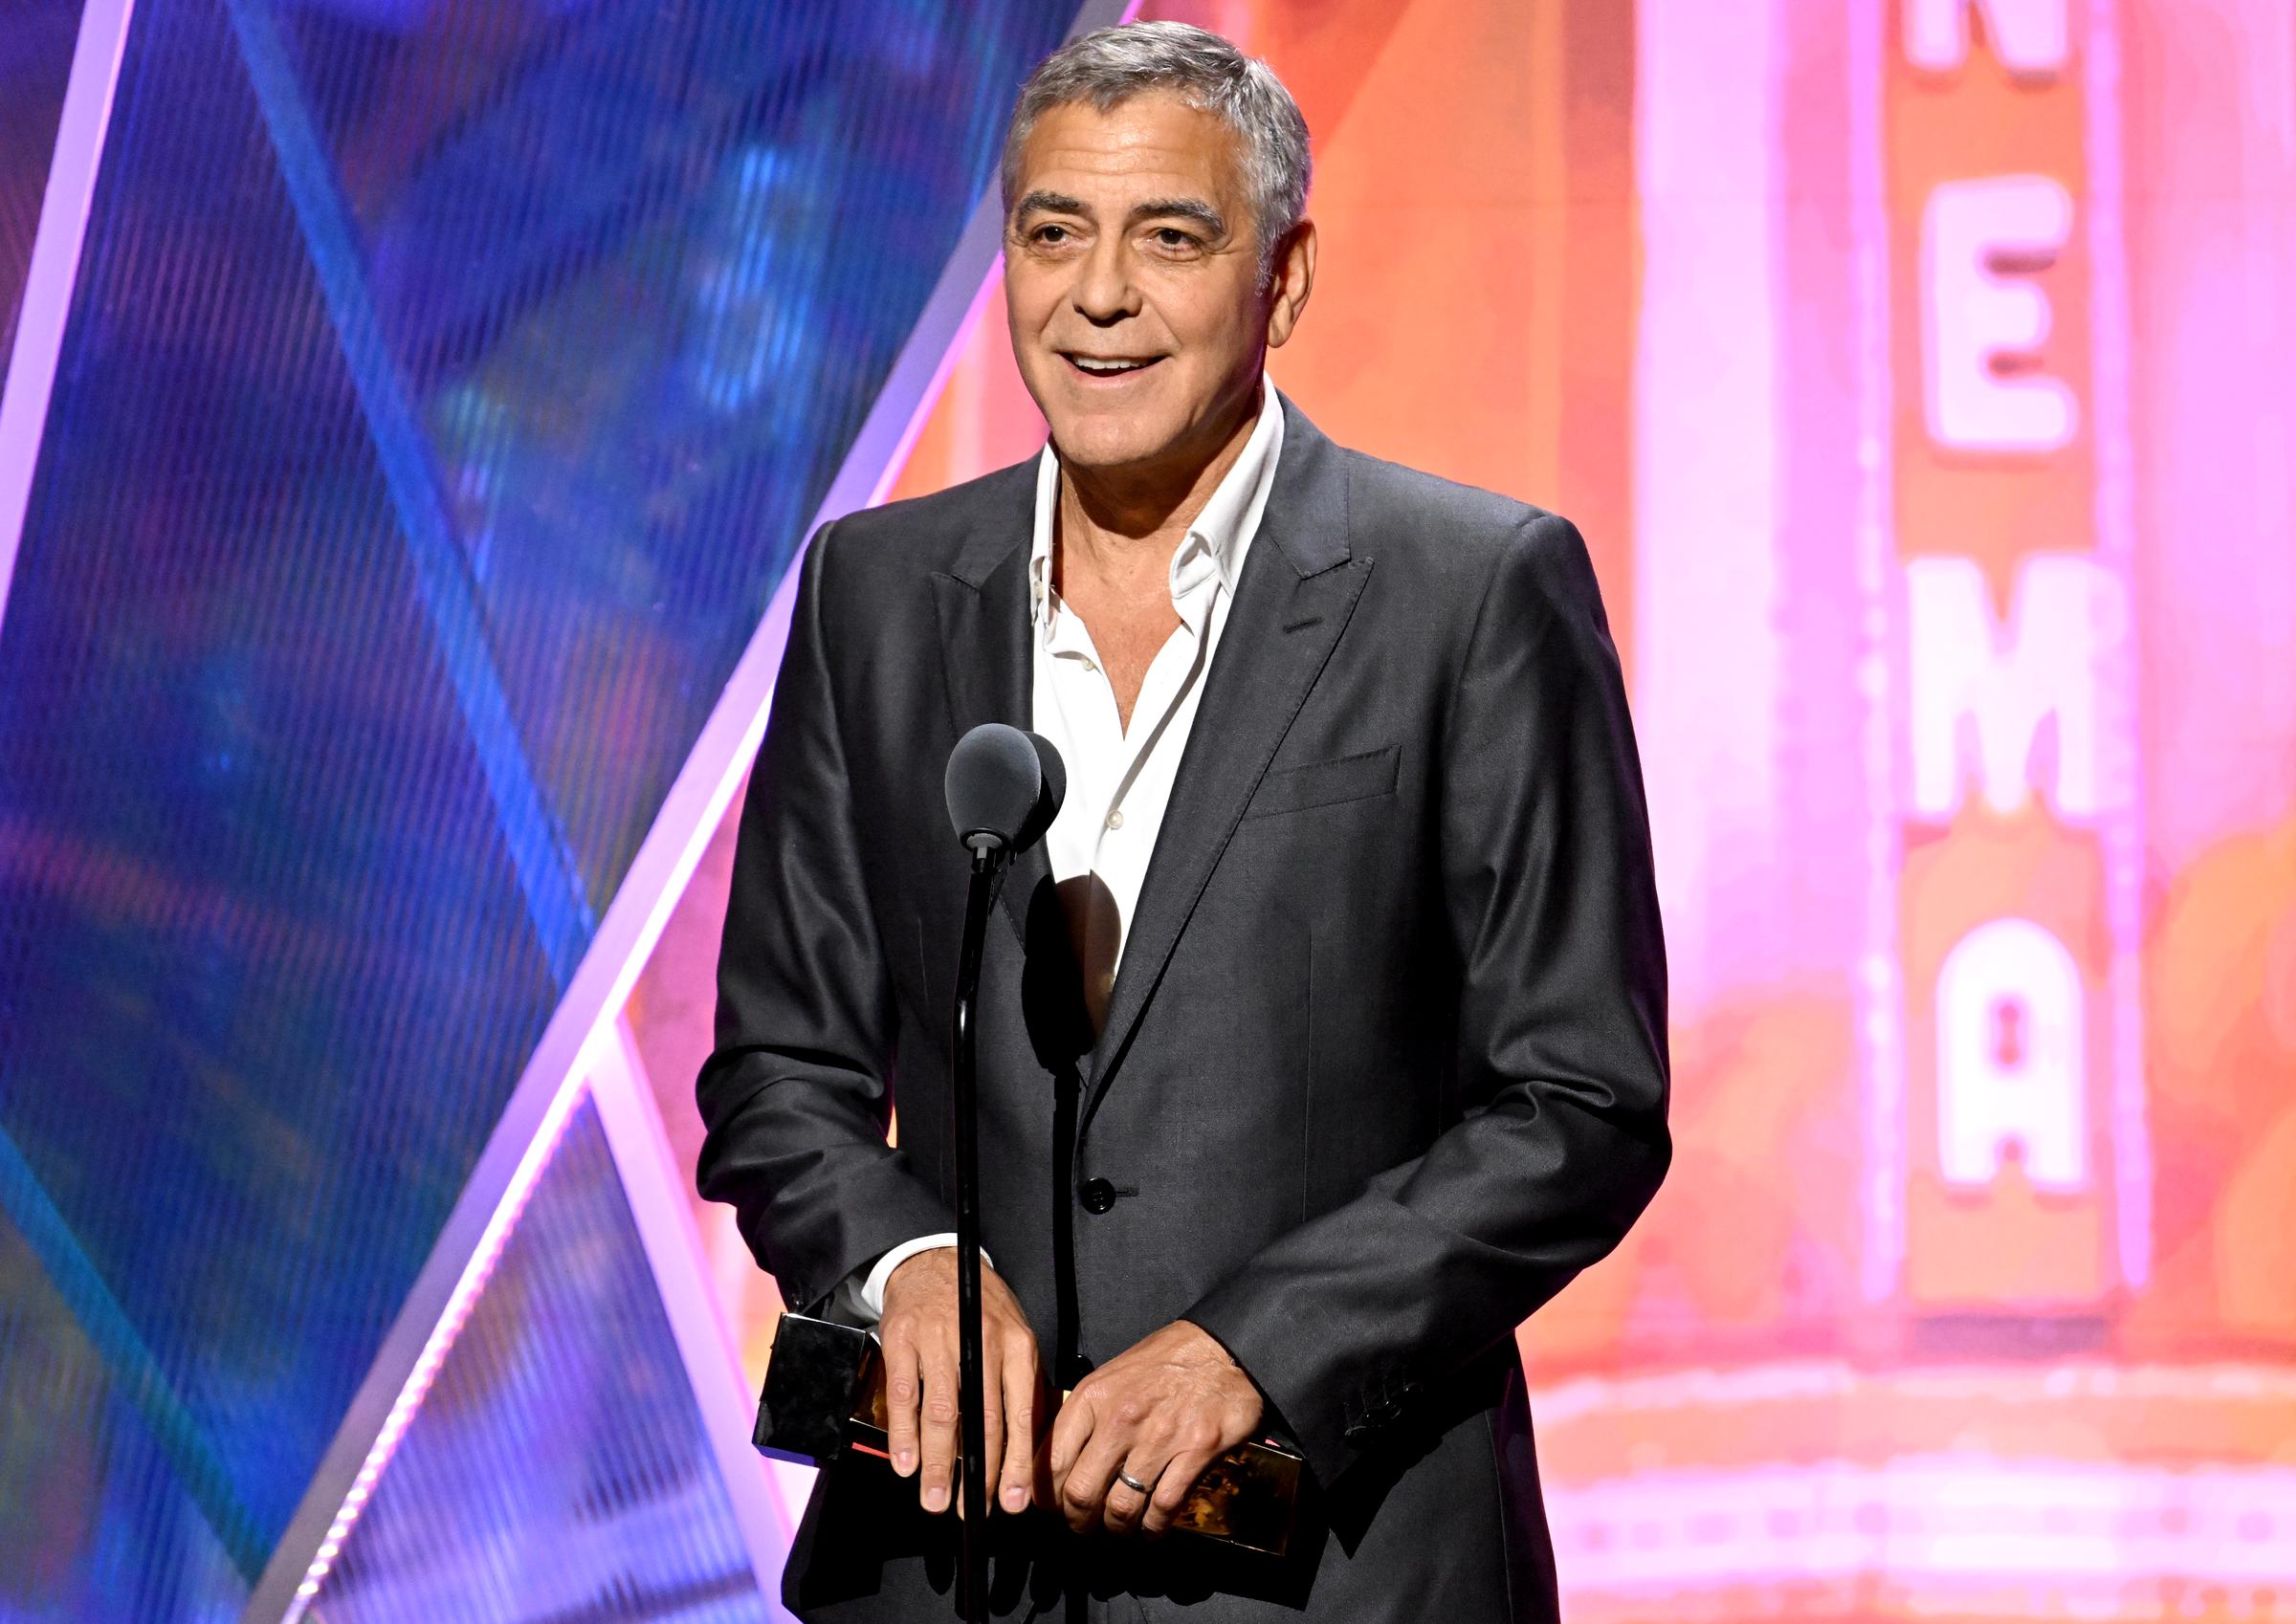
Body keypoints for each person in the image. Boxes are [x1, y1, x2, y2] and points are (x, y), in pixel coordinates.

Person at [695, 21, 1669, 1622]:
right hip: (951, 1569)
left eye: (1172, 238)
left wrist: (1258, 1347)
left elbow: (1580, 1100)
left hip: (1330, 1571)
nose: (1098, 296)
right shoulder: (869, 594)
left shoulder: (1475, 593)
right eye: (1053, 231)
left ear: (1283, 279)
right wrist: (897, 1260)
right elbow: (777, 1073)